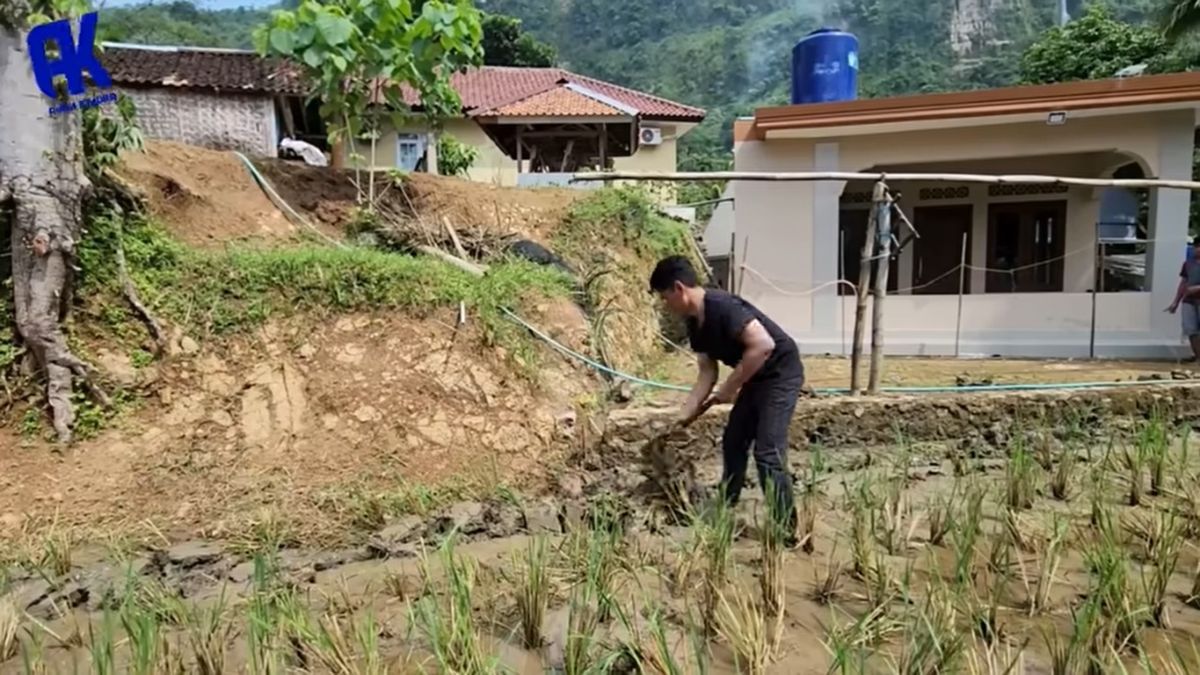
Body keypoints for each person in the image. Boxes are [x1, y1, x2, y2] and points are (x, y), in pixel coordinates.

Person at [649, 255, 805, 538]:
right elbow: (707, 374)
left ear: (679, 288)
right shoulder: (695, 324)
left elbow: (762, 345)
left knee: (768, 451)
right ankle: (727, 503)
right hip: (755, 377)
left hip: (781, 373)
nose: (665, 305)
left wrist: (730, 388)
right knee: (734, 439)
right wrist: (683, 416)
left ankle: (788, 529)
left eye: (664, 297)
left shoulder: (723, 307)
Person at [1166, 244, 1200, 362]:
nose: (1197, 250)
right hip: (1188, 300)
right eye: (1196, 247)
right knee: (1190, 328)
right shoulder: (1188, 264)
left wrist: (1197, 288)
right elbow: (1183, 283)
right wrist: (1175, 302)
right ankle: (1197, 356)